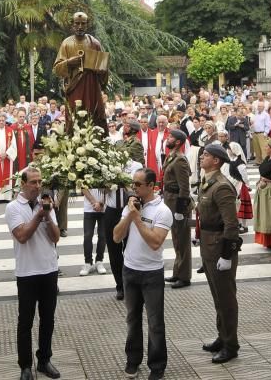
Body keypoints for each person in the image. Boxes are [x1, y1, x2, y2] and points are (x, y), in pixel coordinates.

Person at [112, 168, 172, 380]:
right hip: (130, 270)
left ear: (151, 186)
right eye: (132, 183)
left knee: (155, 322)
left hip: (152, 274)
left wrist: (137, 218)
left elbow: (156, 242)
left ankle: (157, 366)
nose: (133, 188)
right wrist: (129, 215)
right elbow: (117, 237)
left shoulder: (162, 211)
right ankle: (132, 360)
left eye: (137, 184)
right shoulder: (131, 207)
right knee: (132, 318)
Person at [5, 167, 61, 380]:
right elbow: (22, 236)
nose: (38, 186)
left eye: (40, 182)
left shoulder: (45, 204)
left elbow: (55, 238)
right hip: (27, 271)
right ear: (23, 183)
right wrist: (39, 215)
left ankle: (45, 359)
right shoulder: (13, 208)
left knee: (48, 318)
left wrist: (48, 216)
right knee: (25, 321)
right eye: (33, 182)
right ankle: (25, 365)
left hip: (49, 269)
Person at [196, 144, 241, 364]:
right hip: (208, 245)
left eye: (206, 155)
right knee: (217, 297)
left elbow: (231, 225)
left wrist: (226, 254)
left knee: (226, 299)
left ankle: (231, 345)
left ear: (216, 161)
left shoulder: (222, 186)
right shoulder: (207, 182)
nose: (201, 157)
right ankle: (222, 337)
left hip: (219, 247)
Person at [106, 121, 145, 301]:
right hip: (113, 209)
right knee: (114, 250)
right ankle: (119, 285)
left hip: (129, 209)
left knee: (131, 247)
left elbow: (138, 186)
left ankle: (132, 283)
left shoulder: (135, 167)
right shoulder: (108, 167)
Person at [52, 11, 109, 131]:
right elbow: (57, 69)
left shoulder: (94, 43)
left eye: (83, 23)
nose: (80, 26)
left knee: (92, 115)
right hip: (74, 87)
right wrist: (69, 62)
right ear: (72, 25)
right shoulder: (66, 43)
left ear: (87, 25)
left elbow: (104, 71)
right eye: (77, 23)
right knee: (74, 116)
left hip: (91, 88)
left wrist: (99, 68)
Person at [160, 129, 192, 288]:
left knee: (183, 241)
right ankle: (177, 272)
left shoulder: (180, 160)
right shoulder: (172, 155)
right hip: (170, 201)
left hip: (178, 203)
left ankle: (184, 277)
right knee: (176, 239)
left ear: (178, 142)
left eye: (171, 137)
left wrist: (180, 210)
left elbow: (184, 188)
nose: (168, 138)